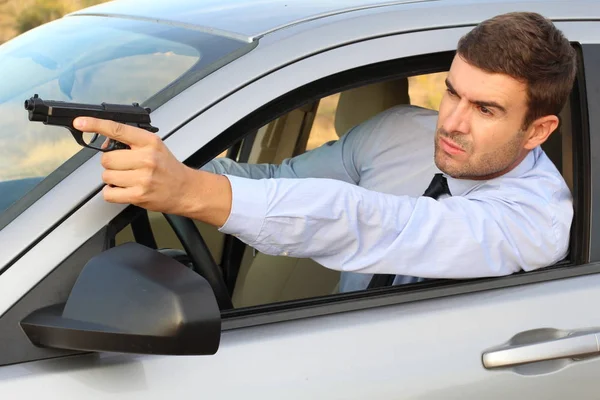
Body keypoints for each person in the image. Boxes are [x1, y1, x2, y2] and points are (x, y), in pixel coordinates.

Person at [73, 11, 576, 293]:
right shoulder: (398, 132)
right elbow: (273, 180)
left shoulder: (536, 221)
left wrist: (192, 191)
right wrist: (147, 158)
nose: (452, 122)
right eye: (451, 92)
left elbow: (370, 222)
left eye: (485, 110)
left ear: (537, 131)